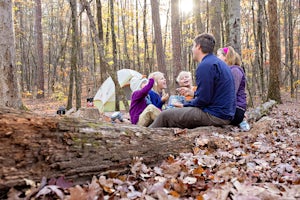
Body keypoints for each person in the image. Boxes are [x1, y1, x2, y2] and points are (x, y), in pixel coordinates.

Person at [149, 33, 236, 129]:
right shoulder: (219, 63)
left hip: (215, 115)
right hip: (225, 114)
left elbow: (203, 100)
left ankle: (145, 138)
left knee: (165, 115)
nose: (192, 49)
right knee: (174, 114)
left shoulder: (205, 66)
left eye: (193, 46)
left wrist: (185, 105)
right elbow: (209, 95)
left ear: (198, 46)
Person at [217, 46, 247, 126]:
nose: (217, 58)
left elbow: (231, 93)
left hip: (235, 110)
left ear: (225, 57)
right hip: (229, 108)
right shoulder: (227, 71)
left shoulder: (235, 71)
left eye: (218, 55)